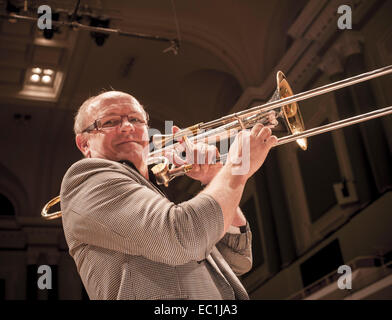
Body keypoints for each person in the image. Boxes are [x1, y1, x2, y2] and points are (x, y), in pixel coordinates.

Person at [60, 90, 277, 300]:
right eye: (110, 122)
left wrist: (214, 178)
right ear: (84, 144)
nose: (127, 127)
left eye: (136, 120)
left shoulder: (149, 191)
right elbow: (181, 238)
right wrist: (236, 170)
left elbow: (237, 260)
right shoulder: (86, 179)